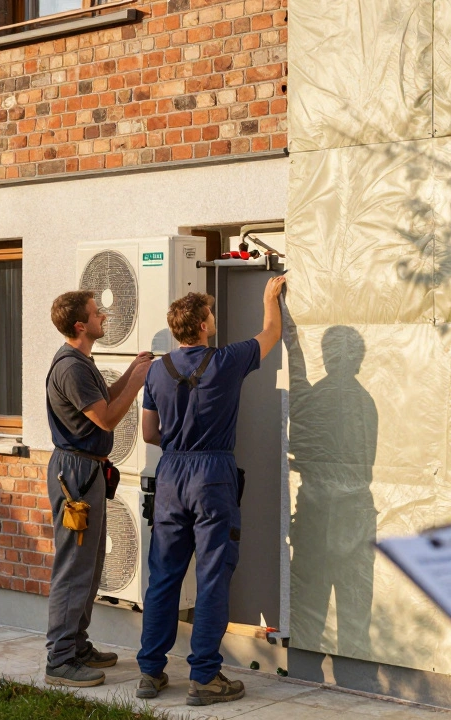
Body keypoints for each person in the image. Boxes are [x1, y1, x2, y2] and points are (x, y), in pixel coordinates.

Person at [135, 276, 287, 705]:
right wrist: (268, 298)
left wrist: (179, 445)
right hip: (212, 475)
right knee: (212, 575)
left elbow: (149, 432)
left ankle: (150, 672)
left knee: (164, 575)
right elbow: (271, 333)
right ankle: (205, 677)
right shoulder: (227, 360)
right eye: (211, 314)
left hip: (170, 475)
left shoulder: (157, 370)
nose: (214, 319)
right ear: (202, 324)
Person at [44, 290, 153, 687]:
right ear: (80, 325)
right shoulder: (71, 367)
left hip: (86, 473)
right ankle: (59, 659)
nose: (103, 316)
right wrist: (138, 384)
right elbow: (106, 419)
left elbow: (103, 398)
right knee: (74, 567)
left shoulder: (81, 362)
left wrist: (131, 371)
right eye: (96, 313)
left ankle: (76, 645)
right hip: (75, 477)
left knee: (87, 566)